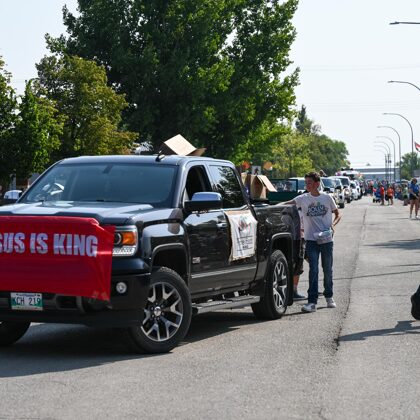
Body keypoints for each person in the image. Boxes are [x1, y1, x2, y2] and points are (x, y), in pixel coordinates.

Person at [285, 171, 341, 312]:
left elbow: (338, 214)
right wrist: (268, 207)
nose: (307, 185)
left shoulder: (327, 198)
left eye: (309, 183)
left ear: (317, 183)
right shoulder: (303, 198)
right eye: (306, 183)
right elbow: (287, 203)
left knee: (327, 269)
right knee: (313, 270)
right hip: (311, 240)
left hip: (326, 240)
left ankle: (329, 296)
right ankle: (312, 302)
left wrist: (332, 226)